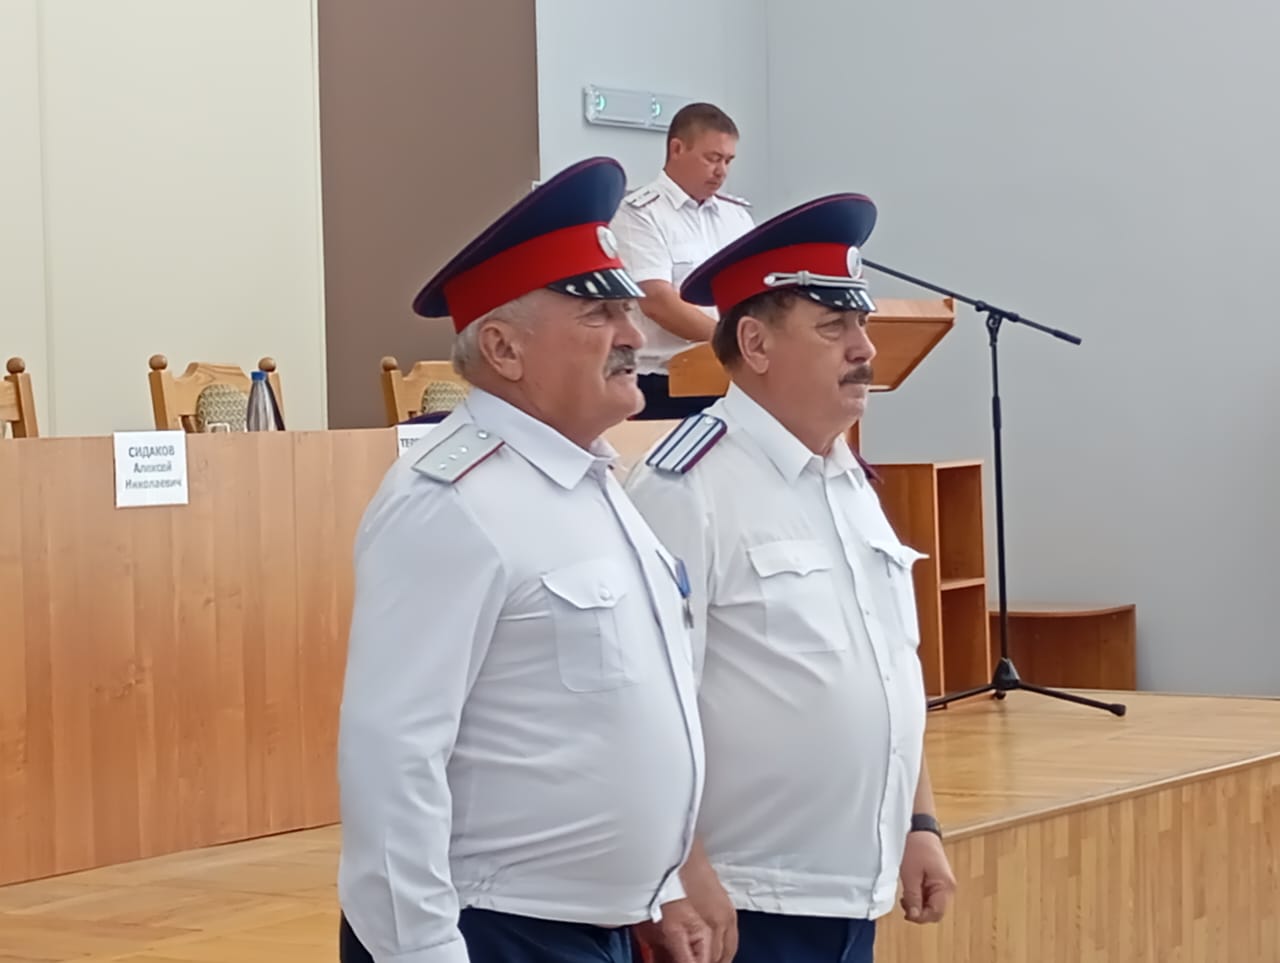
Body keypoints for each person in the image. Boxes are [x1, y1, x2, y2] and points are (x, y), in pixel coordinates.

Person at [336, 157, 709, 963]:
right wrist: (422, 952)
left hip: (592, 925)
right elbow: (392, 753)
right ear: (503, 347)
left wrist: (657, 887)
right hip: (493, 928)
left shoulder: (590, 479)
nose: (633, 336)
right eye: (600, 313)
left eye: (628, 310)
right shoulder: (451, 501)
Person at [623, 194, 957, 963]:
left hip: (851, 888)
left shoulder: (846, 478)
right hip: (742, 901)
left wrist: (919, 822)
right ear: (755, 342)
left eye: (861, 323)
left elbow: (887, 665)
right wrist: (678, 869)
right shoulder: (687, 487)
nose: (864, 347)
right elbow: (641, 702)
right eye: (834, 327)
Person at [609, 102, 755, 420]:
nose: (721, 171)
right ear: (677, 149)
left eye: (728, 160)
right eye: (712, 158)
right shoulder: (638, 213)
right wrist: (735, 343)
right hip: (664, 385)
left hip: (731, 378)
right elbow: (657, 301)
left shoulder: (737, 217)